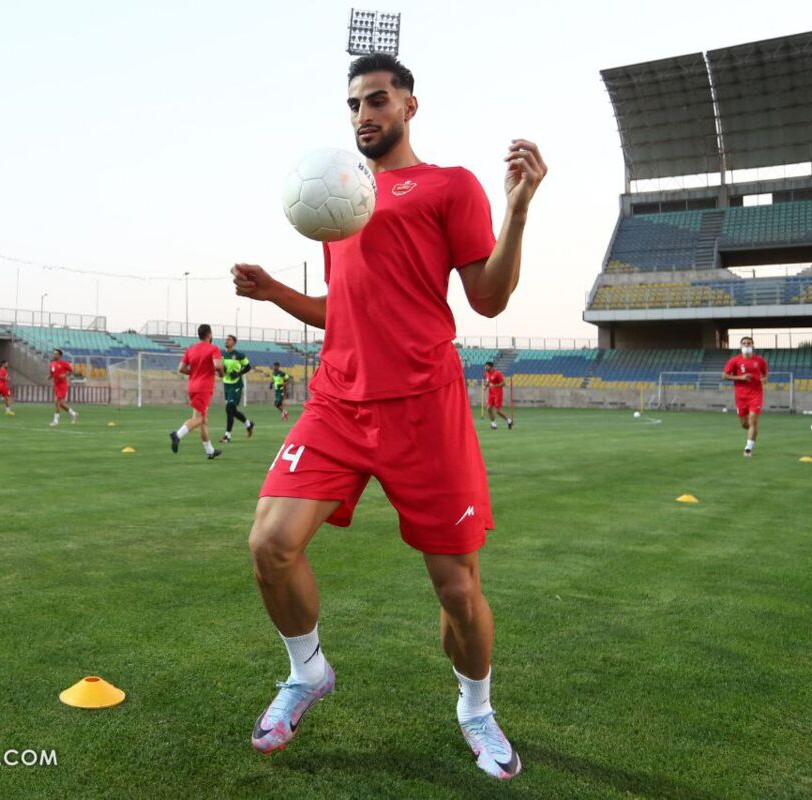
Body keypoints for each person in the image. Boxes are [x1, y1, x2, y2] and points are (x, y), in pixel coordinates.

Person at [231, 52, 546, 780]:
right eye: (354, 105)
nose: (363, 115)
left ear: (409, 106)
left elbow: (489, 300)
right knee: (270, 544)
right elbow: (345, 312)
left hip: (423, 409)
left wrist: (517, 213)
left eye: (377, 101)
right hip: (338, 401)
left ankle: (476, 708)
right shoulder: (338, 196)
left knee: (458, 589)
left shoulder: (449, 185)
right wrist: (278, 290)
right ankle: (306, 672)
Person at [170, 324, 225, 459]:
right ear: (209, 334)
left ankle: (209, 451)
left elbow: (181, 368)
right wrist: (222, 373)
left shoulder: (191, 349)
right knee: (199, 419)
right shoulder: (213, 348)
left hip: (192, 386)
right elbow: (218, 365)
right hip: (204, 387)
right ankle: (177, 435)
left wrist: (193, 373)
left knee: (203, 420)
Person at [722, 336, 768, 457]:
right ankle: (753, 430)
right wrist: (740, 378)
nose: (746, 345)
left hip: (756, 394)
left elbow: (765, 374)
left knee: (753, 420)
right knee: (744, 424)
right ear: (741, 346)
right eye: (744, 343)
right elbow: (724, 376)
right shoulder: (734, 361)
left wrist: (764, 379)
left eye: (749, 343)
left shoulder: (760, 361)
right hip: (741, 396)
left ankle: (748, 448)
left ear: (753, 345)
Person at [221, 334, 256, 443]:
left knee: (229, 408)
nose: (226, 341)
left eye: (229, 339)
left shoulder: (239, 355)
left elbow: (248, 367)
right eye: (226, 339)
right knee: (232, 411)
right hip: (226, 385)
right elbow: (220, 368)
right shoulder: (222, 354)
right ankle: (249, 424)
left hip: (236, 385)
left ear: (234, 342)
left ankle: (227, 436)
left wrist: (238, 374)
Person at [48, 349, 78, 426]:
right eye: (54, 354)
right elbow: (52, 373)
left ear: (60, 355)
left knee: (56, 402)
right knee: (61, 404)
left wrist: (65, 375)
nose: (54, 355)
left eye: (56, 354)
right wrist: (49, 377)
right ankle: (73, 413)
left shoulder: (64, 363)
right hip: (56, 385)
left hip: (62, 385)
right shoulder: (52, 363)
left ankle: (55, 421)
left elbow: (72, 371)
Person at [483, 361, 512, 430]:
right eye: (485, 366)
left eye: (487, 366)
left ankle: (509, 420)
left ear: (491, 367)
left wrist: (495, 385)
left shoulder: (497, 373)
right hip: (491, 393)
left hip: (498, 393)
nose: (485, 367)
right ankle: (494, 424)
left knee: (498, 411)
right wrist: (486, 386)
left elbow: (504, 384)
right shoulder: (487, 373)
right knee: (489, 409)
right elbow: (488, 381)